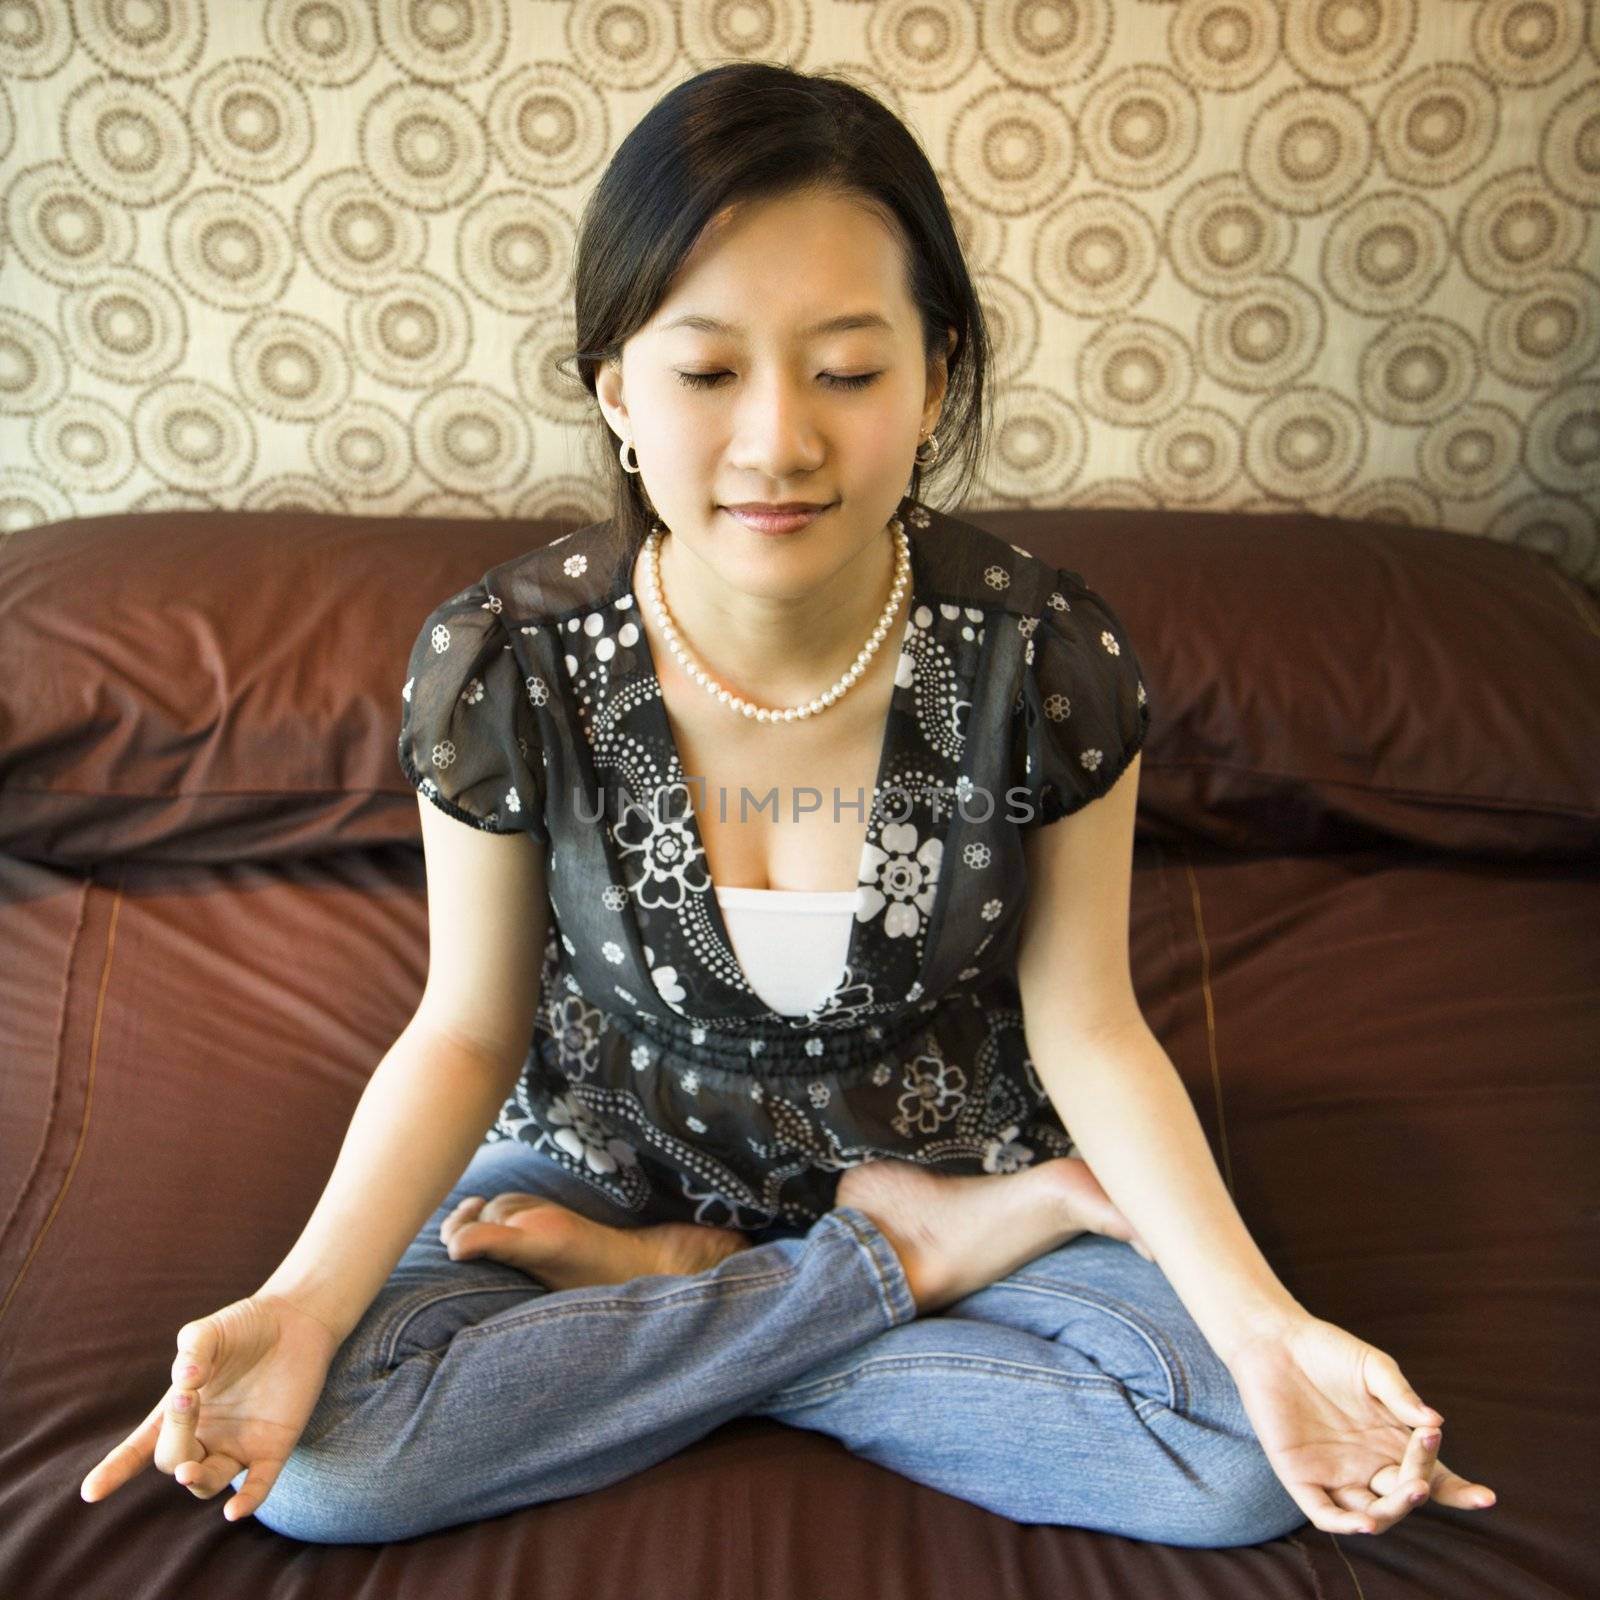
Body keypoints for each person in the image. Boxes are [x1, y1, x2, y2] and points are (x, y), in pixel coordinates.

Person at [78, 62, 1497, 1548]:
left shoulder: (1041, 657)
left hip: (964, 1153)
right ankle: (879, 1268)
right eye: (705, 374)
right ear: (618, 388)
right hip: (608, 1163)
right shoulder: (502, 664)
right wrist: (301, 1305)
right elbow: (467, 1025)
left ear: (935, 376)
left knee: (1238, 1459)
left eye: (846, 369)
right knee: (328, 1458)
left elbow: (1090, 1023)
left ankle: (719, 1298)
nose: (776, 443)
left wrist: (1267, 1332)